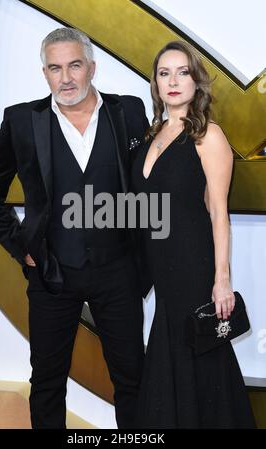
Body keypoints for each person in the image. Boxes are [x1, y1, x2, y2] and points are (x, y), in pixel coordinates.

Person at [0, 27, 149, 429]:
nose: (66, 77)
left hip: (119, 272)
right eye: (55, 68)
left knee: (133, 379)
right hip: (52, 275)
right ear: (45, 73)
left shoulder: (129, 113)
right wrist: (22, 247)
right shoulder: (21, 121)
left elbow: (149, 185)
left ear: (91, 68)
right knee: (48, 383)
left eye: (74, 65)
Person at [131, 40, 256, 428]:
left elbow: (219, 212)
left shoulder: (207, 135)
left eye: (182, 72)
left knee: (200, 358)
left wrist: (222, 280)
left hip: (193, 266)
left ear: (196, 81)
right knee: (173, 359)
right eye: (164, 73)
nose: (172, 81)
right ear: (155, 84)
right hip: (162, 270)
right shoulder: (151, 135)